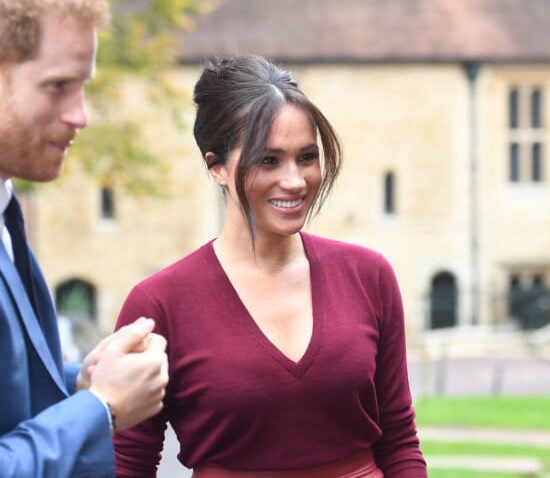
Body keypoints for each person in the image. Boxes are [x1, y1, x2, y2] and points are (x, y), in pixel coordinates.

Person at [113, 54, 427, 477]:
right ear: (217, 167)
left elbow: (398, 438)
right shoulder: (159, 304)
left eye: (307, 157)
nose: (295, 180)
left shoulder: (368, 276)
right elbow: (128, 463)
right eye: (269, 160)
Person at [0, 0, 169, 477]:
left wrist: (82, 379)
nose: (81, 115)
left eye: (84, 86)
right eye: (58, 86)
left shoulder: (7, 207)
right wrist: (101, 409)